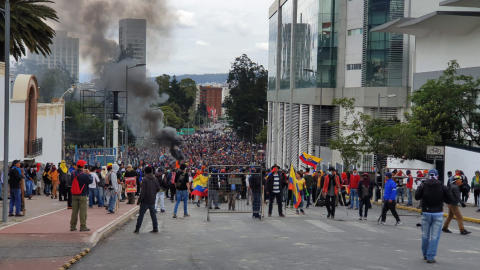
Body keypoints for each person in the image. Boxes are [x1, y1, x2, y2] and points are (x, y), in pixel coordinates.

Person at [415, 169, 453, 264]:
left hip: (426, 213)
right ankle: (430, 256)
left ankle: (425, 254)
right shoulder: (442, 186)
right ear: (437, 176)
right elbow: (450, 198)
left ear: (428, 176)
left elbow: (417, 196)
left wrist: (420, 188)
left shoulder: (423, 185)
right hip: (438, 213)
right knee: (435, 237)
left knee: (425, 235)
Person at [134, 166, 160, 234]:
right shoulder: (155, 179)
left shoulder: (145, 179)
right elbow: (158, 188)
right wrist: (153, 193)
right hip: (152, 199)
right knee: (153, 214)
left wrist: (139, 200)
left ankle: (137, 229)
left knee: (141, 214)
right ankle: (155, 228)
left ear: (145, 172)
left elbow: (143, 192)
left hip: (145, 200)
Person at [70, 160, 93, 232]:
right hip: (82, 194)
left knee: (74, 211)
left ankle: (72, 226)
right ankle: (83, 226)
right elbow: (90, 181)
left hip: (74, 194)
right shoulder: (84, 175)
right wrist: (89, 174)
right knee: (83, 211)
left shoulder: (72, 173)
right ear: (83, 166)